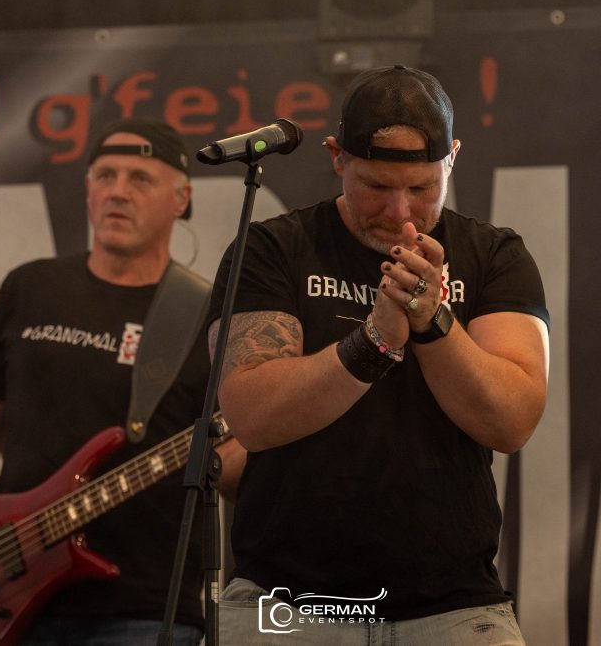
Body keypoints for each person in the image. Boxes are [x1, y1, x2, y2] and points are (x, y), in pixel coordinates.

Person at [206, 65, 550, 645]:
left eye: (420, 189)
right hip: (288, 602)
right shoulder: (273, 248)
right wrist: (373, 343)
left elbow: (512, 420)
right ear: (337, 157)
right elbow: (252, 416)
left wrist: (432, 321)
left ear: (451, 160)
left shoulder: (495, 255)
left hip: (451, 603)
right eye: (376, 187)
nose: (400, 214)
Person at [0, 117, 243, 646]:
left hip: (144, 604)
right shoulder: (30, 286)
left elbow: (233, 461)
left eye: (140, 179)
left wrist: (254, 448)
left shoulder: (211, 317)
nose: (118, 191)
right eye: (105, 176)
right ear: (88, 189)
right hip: (7, 589)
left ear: (181, 199)